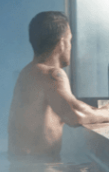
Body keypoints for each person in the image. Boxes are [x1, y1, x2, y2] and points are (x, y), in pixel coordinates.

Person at [8, 11, 109, 156]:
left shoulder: (29, 72)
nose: (70, 46)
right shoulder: (52, 75)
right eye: (70, 40)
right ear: (62, 43)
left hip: (26, 168)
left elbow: (70, 107)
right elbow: (75, 115)